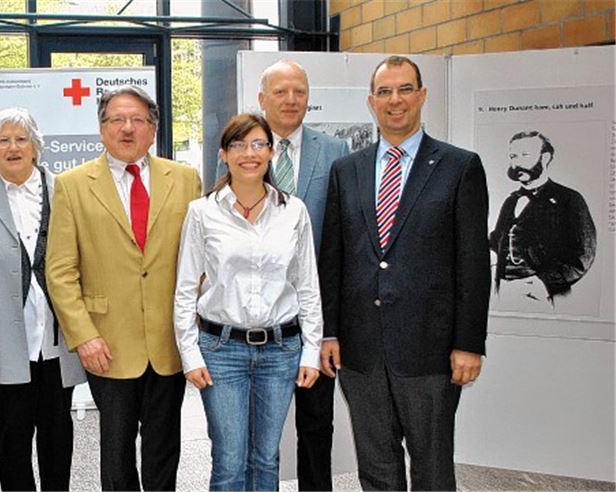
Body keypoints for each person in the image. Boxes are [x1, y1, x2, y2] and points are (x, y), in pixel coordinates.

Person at [319, 55, 491, 491]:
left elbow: (473, 263)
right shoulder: (347, 170)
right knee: (376, 469)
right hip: (361, 352)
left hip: (431, 352)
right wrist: (329, 332)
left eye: (404, 89)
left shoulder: (459, 167)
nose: (394, 100)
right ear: (371, 102)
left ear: (422, 95)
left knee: (432, 469)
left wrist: (469, 344)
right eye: (384, 91)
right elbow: (334, 258)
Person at [46, 85, 202, 491]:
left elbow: (201, 261)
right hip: (107, 342)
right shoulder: (73, 185)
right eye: (117, 119)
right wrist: (84, 336)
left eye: (137, 120)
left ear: (153, 129)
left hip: (169, 340)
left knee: (164, 447)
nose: (127, 128)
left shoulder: (185, 180)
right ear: (102, 129)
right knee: (115, 451)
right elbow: (60, 270)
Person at [217, 59, 350, 490]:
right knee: (250, 438)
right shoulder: (241, 151)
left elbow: (343, 237)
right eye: (280, 91)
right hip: (252, 322)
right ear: (262, 98)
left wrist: (330, 328)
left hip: (312, 316)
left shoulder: (336, 151)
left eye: (299, 91)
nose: (291, 100)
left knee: (316, 424)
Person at [174, 113, 322, 491]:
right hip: (221, 349)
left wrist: (311, 351)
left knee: (266, 457)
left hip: (281, 349)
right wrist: (190, 354)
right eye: (238, 145)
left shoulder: (293, 211)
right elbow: (186, 288)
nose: (249, 153)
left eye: (258, 144)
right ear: (224, 154)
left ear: (272, 152)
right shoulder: (203, 212)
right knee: (229, 460)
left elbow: (307, 287)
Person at [0, 107, 86, 491]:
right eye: (3, 140)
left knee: (57, 433)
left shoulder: (66, 192)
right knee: (12, 437)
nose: (13, 148)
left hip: (58, 339)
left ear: (36, 146)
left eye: (21, 139)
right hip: (4, 342)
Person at [489, 130, 596, 302]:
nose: (517, 163)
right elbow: (497, 241)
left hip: (543, 296)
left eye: (525, 155)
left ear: (545, 158)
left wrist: (545, 283)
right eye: (513, 156)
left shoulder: (569, 199)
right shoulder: (511, 201)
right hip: (503, 292)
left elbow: (583, 256)